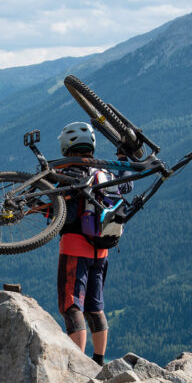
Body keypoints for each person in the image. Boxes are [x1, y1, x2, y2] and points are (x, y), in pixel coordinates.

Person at [55, 122, 130, 365]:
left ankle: (77, 364)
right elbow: (127, 183)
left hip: (75, 246)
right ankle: (98, 361)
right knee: (94, 307)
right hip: (102, 249)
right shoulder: (106, 172)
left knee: (71, 305)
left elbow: (52, 199)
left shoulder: (71, 172)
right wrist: (123, 156)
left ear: (67, 146)